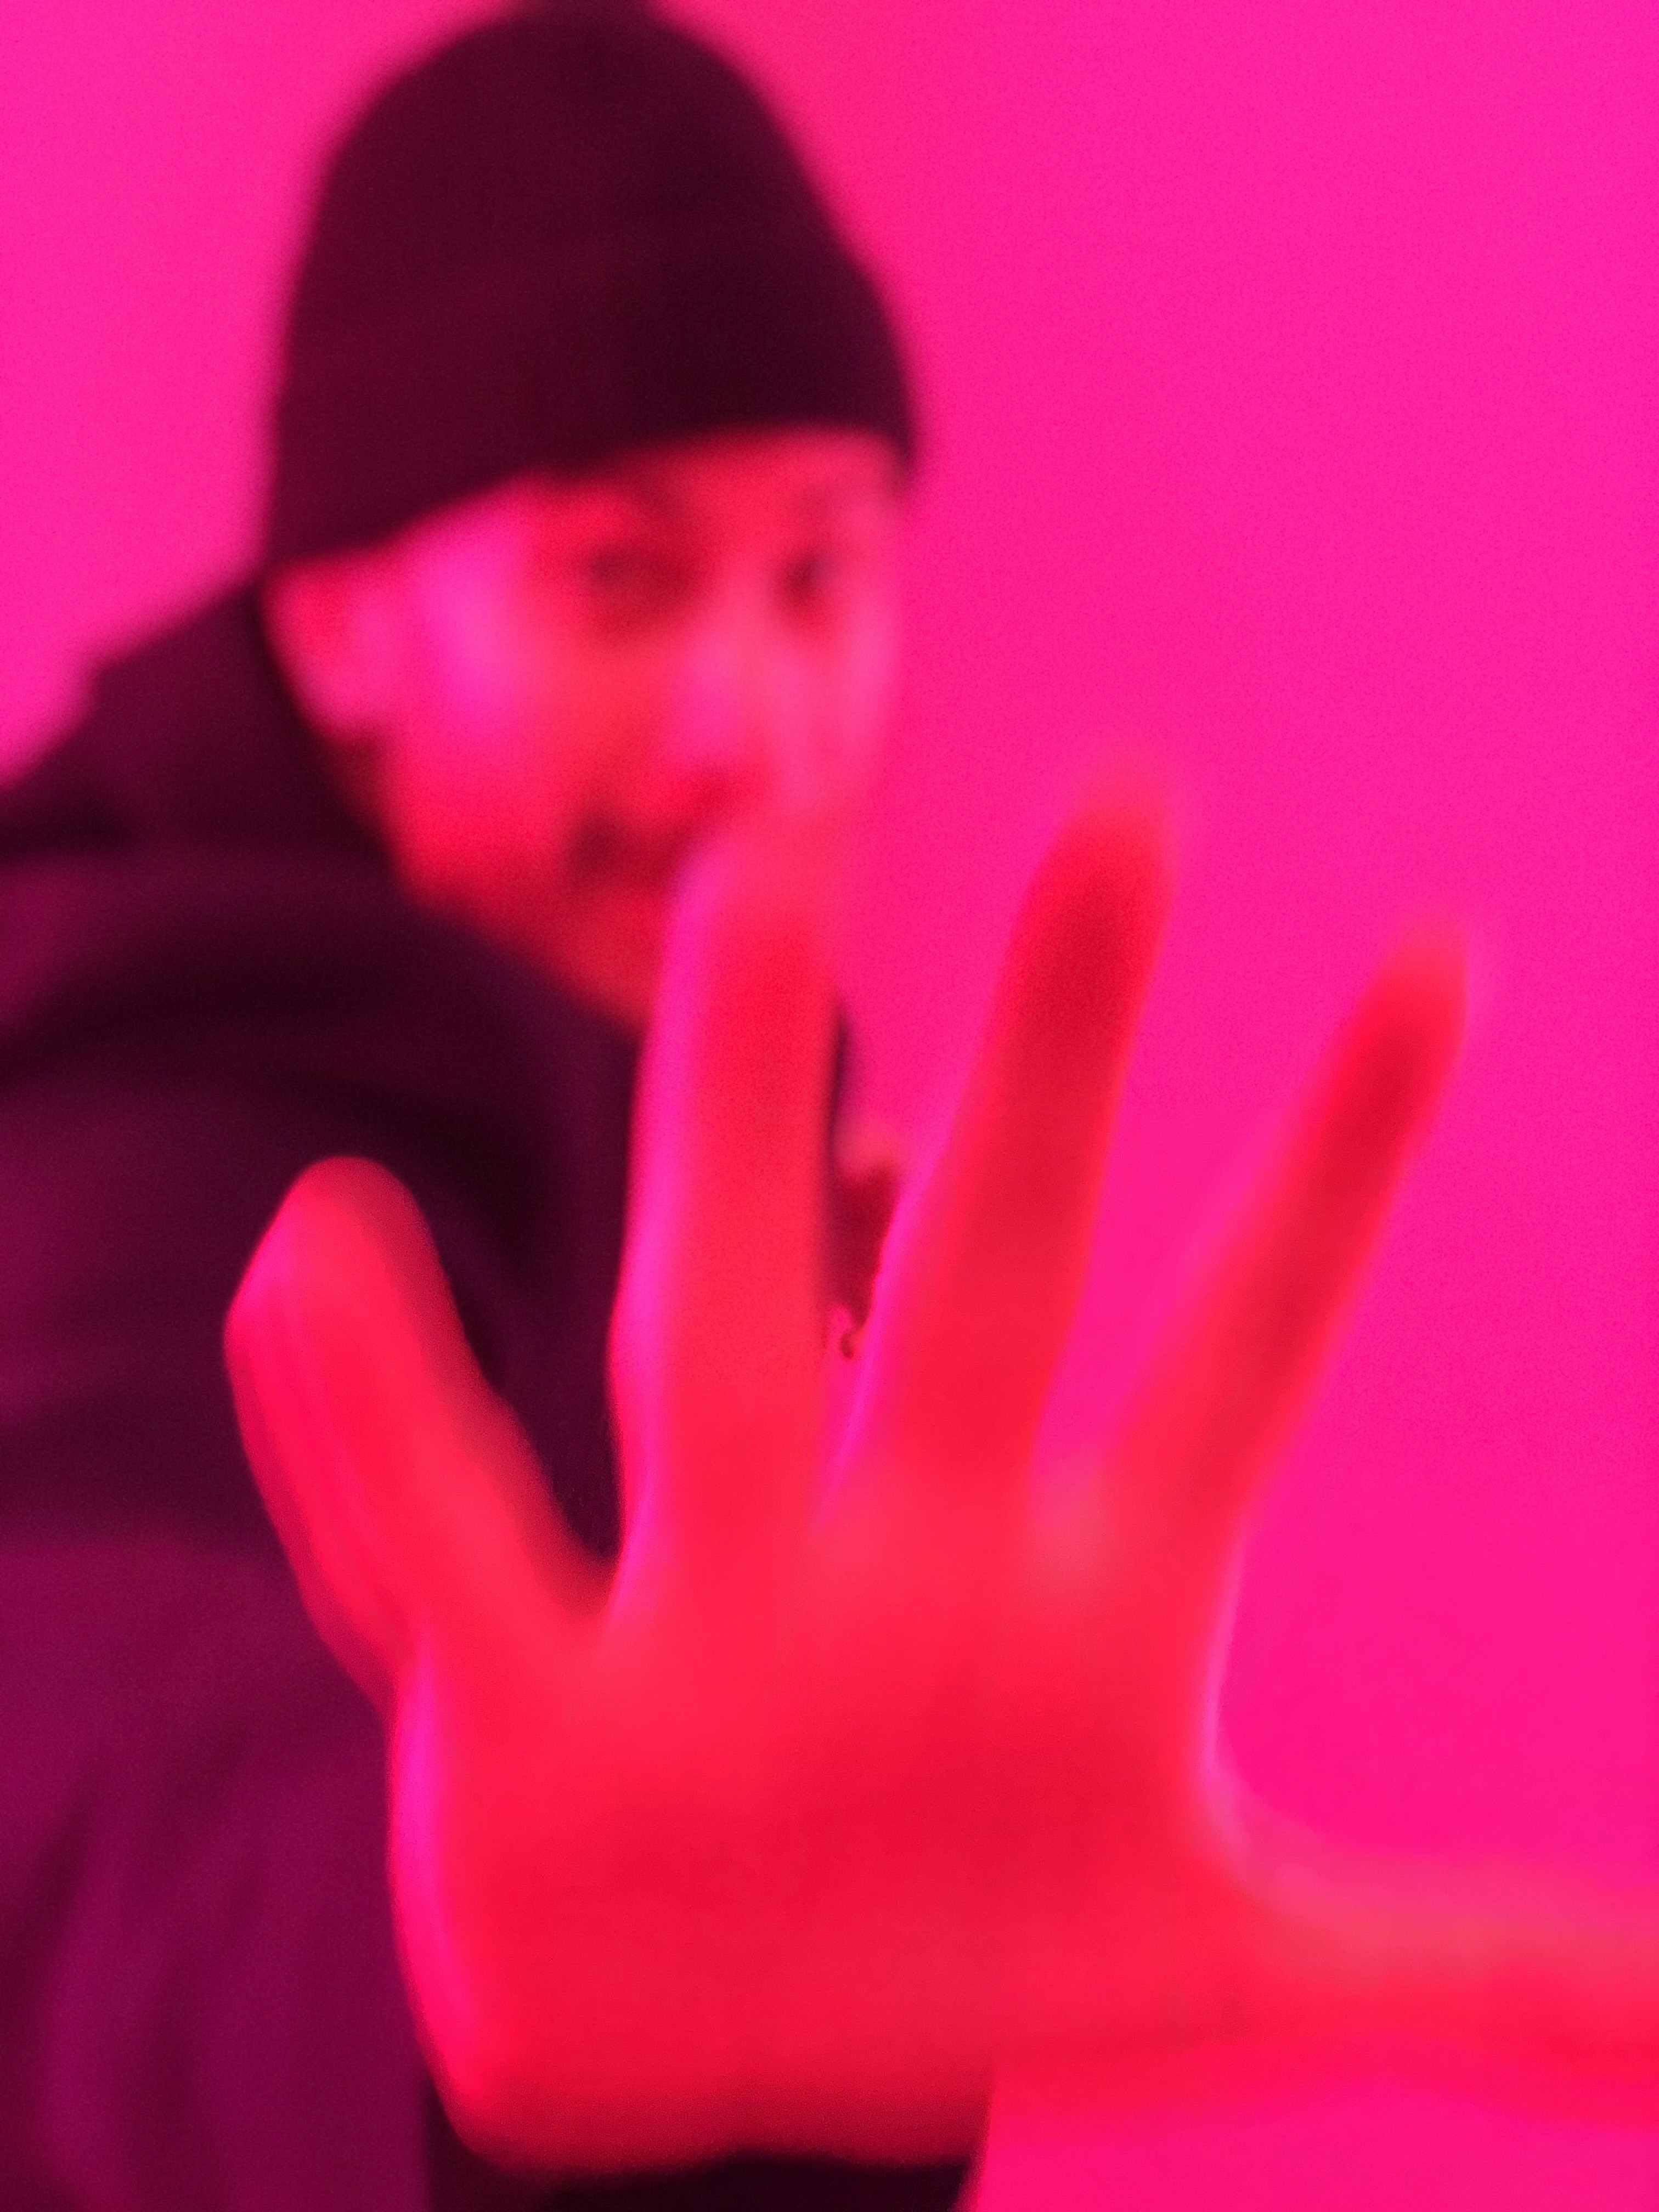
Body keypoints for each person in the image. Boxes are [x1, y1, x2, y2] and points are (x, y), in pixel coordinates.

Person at [3, 3, 1658, 2209]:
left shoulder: (648, 1113)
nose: (748, 730)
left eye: (818, 574)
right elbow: (74, 1770)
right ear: (339, 635)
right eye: (623, 577)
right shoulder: (134, 1125)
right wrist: (406, 1973)